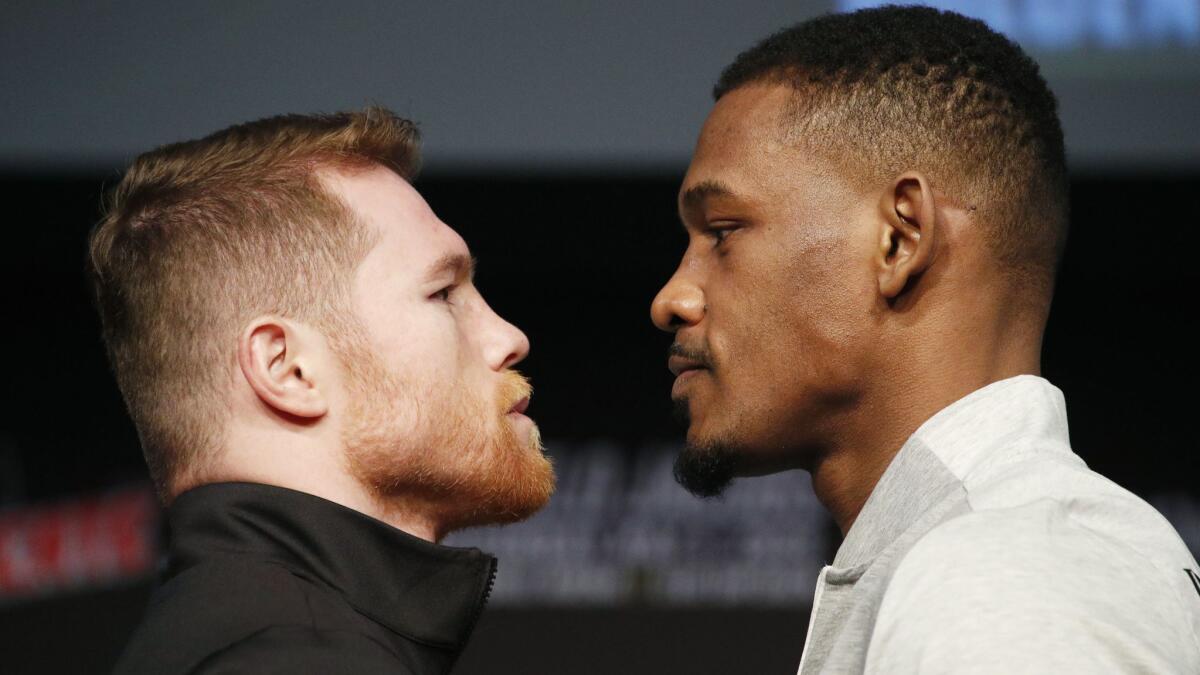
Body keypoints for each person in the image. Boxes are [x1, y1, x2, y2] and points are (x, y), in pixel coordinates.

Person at [651, 6, 1200, 673]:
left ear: (898, 239)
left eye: (723, 230)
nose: (672, 298)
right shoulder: (1012, 551)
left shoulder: (1005, 580)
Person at [89, 108, 555, 674]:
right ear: (289, 370)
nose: (509, 338)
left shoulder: (238, 635)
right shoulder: (298, 656)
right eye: (442, 292)